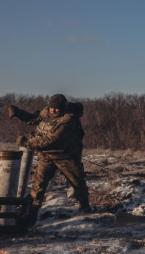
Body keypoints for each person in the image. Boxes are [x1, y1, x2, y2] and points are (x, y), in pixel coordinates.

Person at [7, 94, 91, 222]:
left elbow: (50, 140)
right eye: (51, 108)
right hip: (46, 156)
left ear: (63, 108)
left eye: (56, 108)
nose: (53, 110)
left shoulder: (68, 120)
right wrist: (18, 113)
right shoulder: (46, 113)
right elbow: (33, 119)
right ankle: (30, 216)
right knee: (38, 186)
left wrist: (26, 142)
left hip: (65, 156)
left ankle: (85, 210)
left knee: (77, 183)